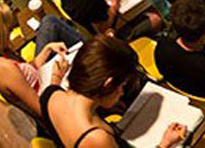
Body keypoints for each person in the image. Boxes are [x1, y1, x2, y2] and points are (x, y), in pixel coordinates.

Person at [40, 35, 186, 148]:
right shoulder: (97, 138)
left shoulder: (50, 94)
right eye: (121, 86)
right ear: (107, 85)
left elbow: (59, 95)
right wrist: (165, 143)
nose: (122, 92)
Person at [0, 0, 83, 117]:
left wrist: (47, 49)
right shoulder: (0, 67)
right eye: (7, 29)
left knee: (49, 22)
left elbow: (27, 73)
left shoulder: (0, 53)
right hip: (58, 106)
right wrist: (57, 76)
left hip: (46, 82)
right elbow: (42, 110)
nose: (11, 30)